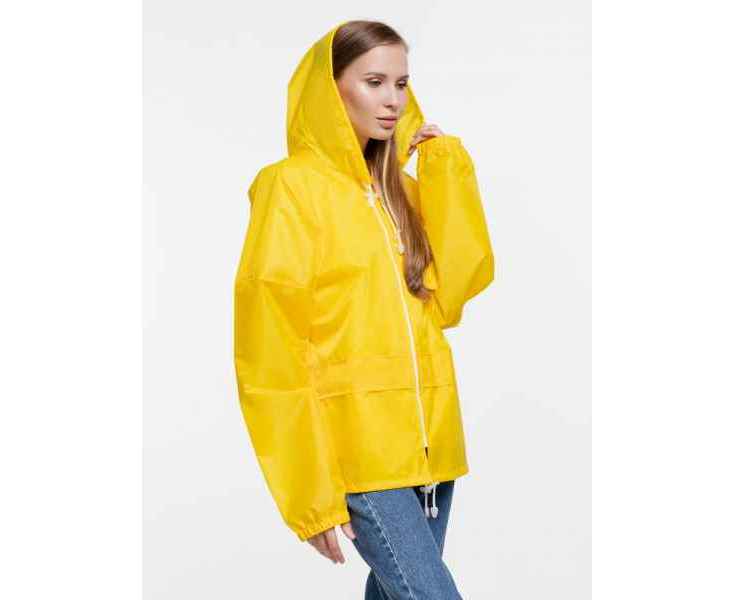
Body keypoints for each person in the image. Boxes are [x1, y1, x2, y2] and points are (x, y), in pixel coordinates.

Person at [233, 19, 495, 599]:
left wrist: (446, 174)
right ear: (331, 90)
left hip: (432, 448)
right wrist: (308, 490)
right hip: (360, 452)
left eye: (401, 84)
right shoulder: (290, 188)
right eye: (374, 82)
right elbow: (270, 348)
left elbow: (453, 293)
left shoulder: (404, 192)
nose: (392, 100)